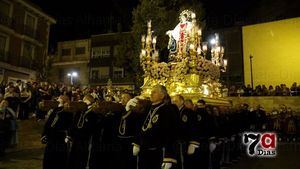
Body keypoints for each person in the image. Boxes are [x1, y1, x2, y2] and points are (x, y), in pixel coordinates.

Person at [133, 85, 179, 169]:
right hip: (144, 151)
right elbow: (140, 127)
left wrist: (168, 157)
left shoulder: (167, 110)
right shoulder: (148, 109)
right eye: (151, 92)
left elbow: (171, 134)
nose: (151, 94)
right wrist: (137, 143)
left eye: (154, 92)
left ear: (162, 95)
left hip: (159, 153)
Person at [41, 95, 73, 169]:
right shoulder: (55, 110)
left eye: (59, 99)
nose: (57, 99)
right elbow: (48, 124)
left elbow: (66, 124)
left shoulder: (67, 111)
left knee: (58, 158)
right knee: (49, 158)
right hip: (51, 137)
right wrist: (44, 134)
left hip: (60, 137)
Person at [68, 95, 98, 169]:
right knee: (74, 155)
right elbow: (74, 123)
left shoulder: (93, 113)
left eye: (85, 100)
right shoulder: (79, 111)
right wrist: (70, 134)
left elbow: (92, 126)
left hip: (85, 138)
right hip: (76, 137)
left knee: (83, 156)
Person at [171, 95, 198, 169]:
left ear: (182, 101)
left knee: (183, 163)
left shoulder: (188, 112)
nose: (173, 103)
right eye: (172, 101)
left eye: (175, 101)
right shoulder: (172, 112)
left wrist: (193, 143)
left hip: (184, 142)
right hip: (174, 142)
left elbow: (194, 128)